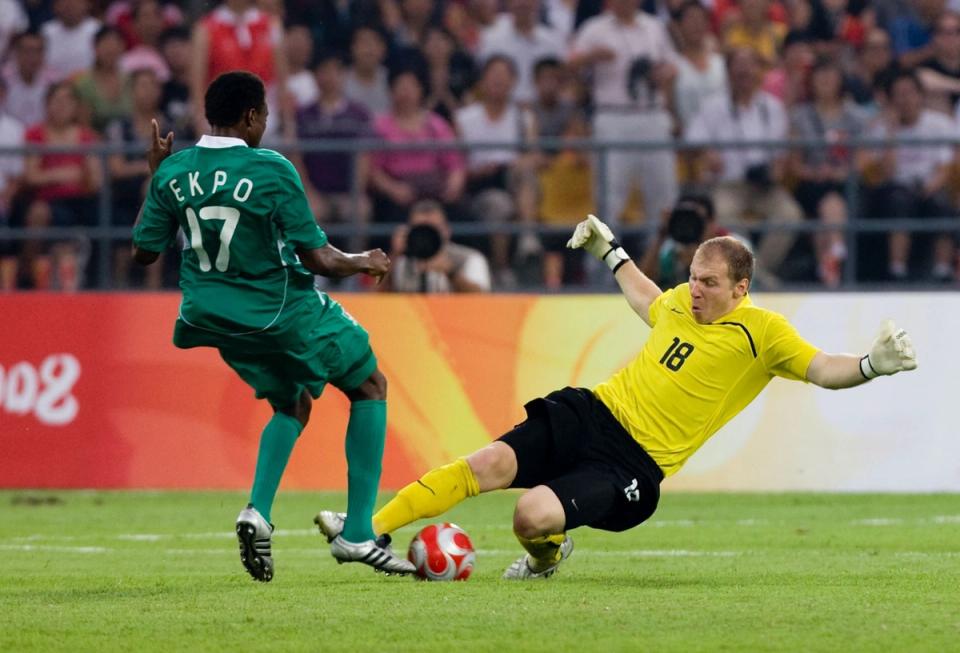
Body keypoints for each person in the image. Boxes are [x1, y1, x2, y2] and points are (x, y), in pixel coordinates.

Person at [316, 212, 918, 580]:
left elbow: (822, 370)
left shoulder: (765, 334)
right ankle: (365, 530)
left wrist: (871, 364)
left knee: (531, 517)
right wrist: (611, 251)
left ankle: (546, 559)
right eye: (693, 277)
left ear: (742, 286)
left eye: (710, 283)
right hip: (593, 411)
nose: (696, 290)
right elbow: (646, 297)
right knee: (489, 463)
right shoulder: (681, 302)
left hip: (633, 465)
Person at [131, 71, 414, 580]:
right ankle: (358, 536)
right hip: (279, 311)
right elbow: (320, 259)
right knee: (370, 384)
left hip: (211, 318)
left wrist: (157, 177)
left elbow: (144, 253)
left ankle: (256, 512)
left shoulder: (173, 173)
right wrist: (365, 260)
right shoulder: (271, 168)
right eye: (264, 115)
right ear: (251, 117)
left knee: (294, 402)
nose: (266, 124)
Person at [383, 199, 492, 292]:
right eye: (421, 229)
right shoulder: (400, 260)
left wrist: (451, 273)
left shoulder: (470, 258)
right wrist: (394, 255)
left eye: (432, 229)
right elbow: (372, 298)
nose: (426, 236)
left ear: (446, 231)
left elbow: (483, 299)